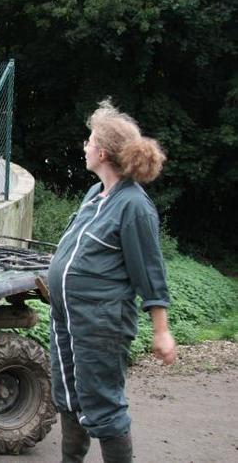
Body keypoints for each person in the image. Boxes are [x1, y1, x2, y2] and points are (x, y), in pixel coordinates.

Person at [46, 99, 176, 463]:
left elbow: (150, 271)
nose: (84, 147)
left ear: (102, 151)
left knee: (102, 404)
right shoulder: (94, 196)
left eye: (89, 141)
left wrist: (161, 330)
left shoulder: (134, 206)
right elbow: (73, 255)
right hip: (67, 320)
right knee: (68, 397)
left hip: (101, 323)